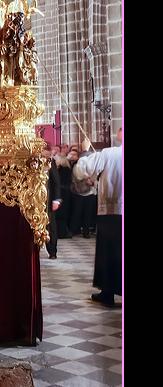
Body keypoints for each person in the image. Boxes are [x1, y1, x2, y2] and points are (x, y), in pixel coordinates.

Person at [75, 129, 123, 306]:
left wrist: (86, 151)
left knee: (110, 253)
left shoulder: (110, 153)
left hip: (112, 211)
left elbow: (82, 170)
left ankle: (108, 294)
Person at [42, 142, 62, 259]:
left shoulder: (50, 163)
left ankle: (52, 251)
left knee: (50, 226)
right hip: (35, 199)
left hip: (48, 199)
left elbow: (56, 182)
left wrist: (56, 200)